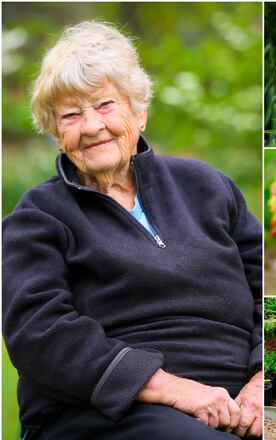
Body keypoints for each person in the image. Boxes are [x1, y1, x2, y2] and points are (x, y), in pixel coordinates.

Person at [2, 21, 262, 439]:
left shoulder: (208, 187)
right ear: (56, 133)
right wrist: (173, 389)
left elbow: (265, 290)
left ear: (139, 110)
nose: (90, 126)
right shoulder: (38, 215)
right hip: (108, 412)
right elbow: (39, 334)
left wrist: (260, 386)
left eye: (105, 105)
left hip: (240, 402)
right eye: (71, 114)